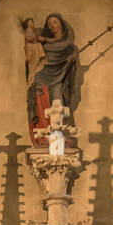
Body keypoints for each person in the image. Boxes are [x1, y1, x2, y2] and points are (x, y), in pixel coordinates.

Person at [26, 13, 80, 144]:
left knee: (58, 105)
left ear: (61, 23)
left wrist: (71, 61)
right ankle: (44, 137)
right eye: (49, 24)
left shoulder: (69, 46)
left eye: (55, 22)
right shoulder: (42, 45)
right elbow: (31, 60)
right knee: (42, 107)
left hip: (59, 80)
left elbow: (71, 71)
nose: (52, 26)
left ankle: (62, 137)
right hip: (42, 78)